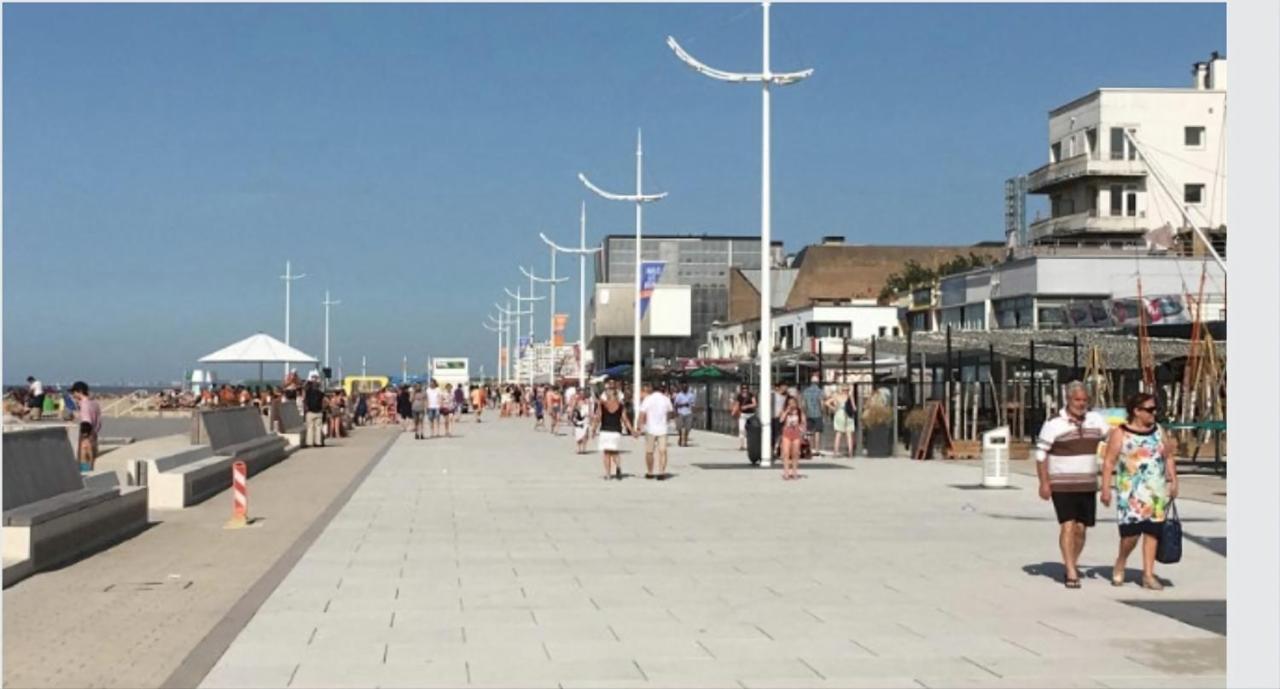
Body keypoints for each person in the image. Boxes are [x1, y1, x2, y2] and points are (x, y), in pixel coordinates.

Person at [1035, 380, 1111, 589]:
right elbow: (1041, 455)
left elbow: (1114, 438)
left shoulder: (1096, 420)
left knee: (1081, 529)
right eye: (1077, 400)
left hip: (1087, 484)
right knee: (1067, 525)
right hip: (1062, 483)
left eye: (1085, 400)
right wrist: (1044, 483)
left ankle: (1073, 561)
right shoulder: (1054, 423)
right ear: (1068, 400)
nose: (1081, 404)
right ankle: (1070, 570)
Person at [1101, 392, 1180, 590]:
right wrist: (1105, 488)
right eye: (1150, 410)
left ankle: (1148, 574)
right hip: (1131, 493)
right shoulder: (1120, 433)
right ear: (1136, 411)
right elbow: (1109, 461)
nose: (1154, 413)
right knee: (1130, 536)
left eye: (1155, 409)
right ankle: (1121, 561)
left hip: (1155, 491)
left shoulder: (1158, 430)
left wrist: (1173, 479)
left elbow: (1168, 456)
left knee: (1152, 533)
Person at [594, 387, 635, 480]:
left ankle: (608, 475)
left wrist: (593, 429)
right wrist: (632, 430)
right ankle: (618, 466)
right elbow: (625, 419)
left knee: (606, 453)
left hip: (605, 430)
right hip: (616, 431)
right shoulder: (620, 405)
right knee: (614, 451)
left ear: (608, 395)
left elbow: (598, 417)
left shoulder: (603, 404)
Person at [637, 382, 675, 480]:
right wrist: (667, 420)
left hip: (650, 429)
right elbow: (670, 413)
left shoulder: (648, 399)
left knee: (649, 452)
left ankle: (650, 472)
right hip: (663, 429)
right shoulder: (666, 399)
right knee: (663, 451)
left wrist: (638, 428)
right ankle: (661, 472)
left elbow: (641, 414)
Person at [70, 382, 101, 472]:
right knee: (92, 462)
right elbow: (98, 421)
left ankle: (84, 476)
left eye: (74, 392)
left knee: (85, 460)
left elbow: (86, 422)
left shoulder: (84, 404)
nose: (73, 395)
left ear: (80, 391)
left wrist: (85, 437)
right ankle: (88, 475)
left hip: (86, 435)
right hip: (94, 435)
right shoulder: (94, 403)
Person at [779, 395, 806, 481]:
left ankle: (794, 472)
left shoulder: (799, 411)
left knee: (795, 454)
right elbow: (781, 420)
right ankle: (786, 472)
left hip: (796, 433)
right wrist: (787, 411)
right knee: (786, 453)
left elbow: (804, 422)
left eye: (793, 403)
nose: (792, 404)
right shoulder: (785, 411)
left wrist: (801, 428)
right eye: (789, 403)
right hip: (787, 433)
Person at [828, 384, 856, 457]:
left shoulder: (837, 396)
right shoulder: (850, 397)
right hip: (848, 415)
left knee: (838, 434)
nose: (846, 391)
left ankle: (835, 452)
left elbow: (827, 403)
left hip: (839, 414)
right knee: (849, 435)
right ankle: (850, 453)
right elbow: (854, 408)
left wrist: (834, 408)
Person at [802, 375, 827, 456]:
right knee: (817, 432)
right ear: (818, 382)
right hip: (818, 414)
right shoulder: (820, 391)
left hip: (809, 414)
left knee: (809, 432)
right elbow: (822, 404)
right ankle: (817, 449)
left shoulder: (806, 391)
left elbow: (803, 404)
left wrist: (804, 413)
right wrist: (824, 413)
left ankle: (810, 449)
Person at [732, 384, 757, 452]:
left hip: (751, 415)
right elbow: (737, 404)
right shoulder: (739, 396)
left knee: (751, 430)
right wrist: (734, 411)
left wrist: (747, 406)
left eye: (746, 388)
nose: (744, 390)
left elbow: (754, 404)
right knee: (741, 429)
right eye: (743, 389)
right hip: (742, 414)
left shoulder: (751, 395)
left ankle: (750, 444)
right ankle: (742, 445)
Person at [303, 379, 325, 448]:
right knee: (318, 428)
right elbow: (323, 402)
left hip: (310, 412)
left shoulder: (308, 393)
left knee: (310, 428)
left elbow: (305, 400)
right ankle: (318, 442)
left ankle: (310, 443)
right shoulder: (321, 394)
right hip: (318, 412)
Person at [673, 383, 696, 447]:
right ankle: (680, 437)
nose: (684, 388)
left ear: (688, 388)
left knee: (687, 428)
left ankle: (685, 440)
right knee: (680, 427)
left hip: (688, 413)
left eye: (686, 387)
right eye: (683, 387)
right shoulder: (679, 395)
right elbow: (676, 405)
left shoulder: (691, 395)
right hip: (680, 413)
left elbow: (692, 404)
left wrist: (694, 414)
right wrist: (676, 412)